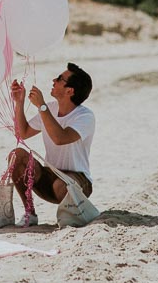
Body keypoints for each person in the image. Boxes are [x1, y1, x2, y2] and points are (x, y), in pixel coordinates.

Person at [7, 64, 96, 227]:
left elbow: (60, 138)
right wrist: (19, 103)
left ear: (70, 91)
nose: (54, 80)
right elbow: (23, 133)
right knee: (17, 155)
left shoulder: (85, 116)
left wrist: (41, 106)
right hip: (49, 179)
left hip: (77, 183)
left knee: (62, 184)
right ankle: (29, 213)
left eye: (60, 79)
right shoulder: (51, 108)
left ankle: (70, 216)